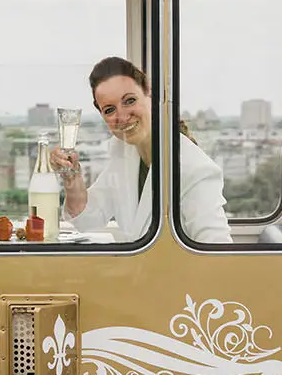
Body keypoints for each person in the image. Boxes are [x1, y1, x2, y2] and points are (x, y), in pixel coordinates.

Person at [51, 56, 232, 244]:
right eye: (109, 110)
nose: (121, 116)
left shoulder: (195, 169)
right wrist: (72, 178)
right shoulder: (123, 151)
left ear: (150, 94)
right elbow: (88, 219)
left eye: (129, 101)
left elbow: (217, 251)